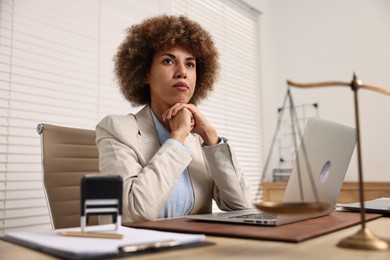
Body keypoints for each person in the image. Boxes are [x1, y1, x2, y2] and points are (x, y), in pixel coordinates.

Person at [96, 15, 252, 224]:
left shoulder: (199, 140)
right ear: (144, 74)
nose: (182, 73)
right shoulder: (116, 129)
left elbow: (241, 206)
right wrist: (177, 138)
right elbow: (136, 210)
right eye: (168, 61)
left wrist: (212, 139)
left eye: (190, 64)